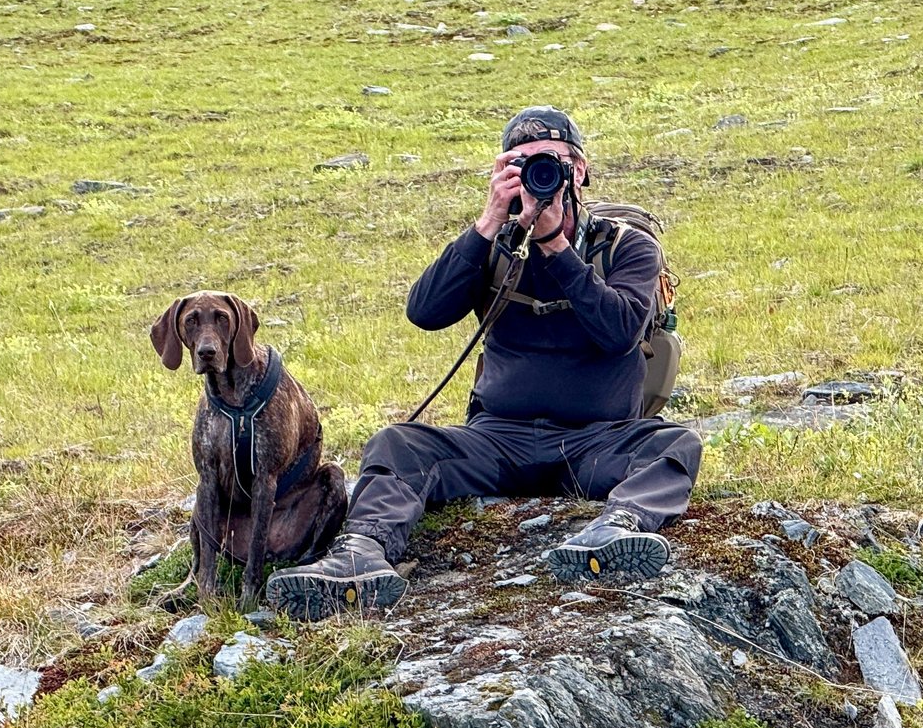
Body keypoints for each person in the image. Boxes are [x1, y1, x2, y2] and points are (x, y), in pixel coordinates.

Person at [264, 106, 702, 620]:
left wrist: (556, 246)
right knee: (396, 442)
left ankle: (617, 530)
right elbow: (424, 312)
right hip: (498, 439)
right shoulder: (493, 244)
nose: (541, 176)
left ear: (578, 170)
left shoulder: (627, 247)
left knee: (676, 442)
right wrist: (488, 224)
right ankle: (361, 553)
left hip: (596, 440)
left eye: (552, 162)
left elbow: (619, 332)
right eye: (522, 164)